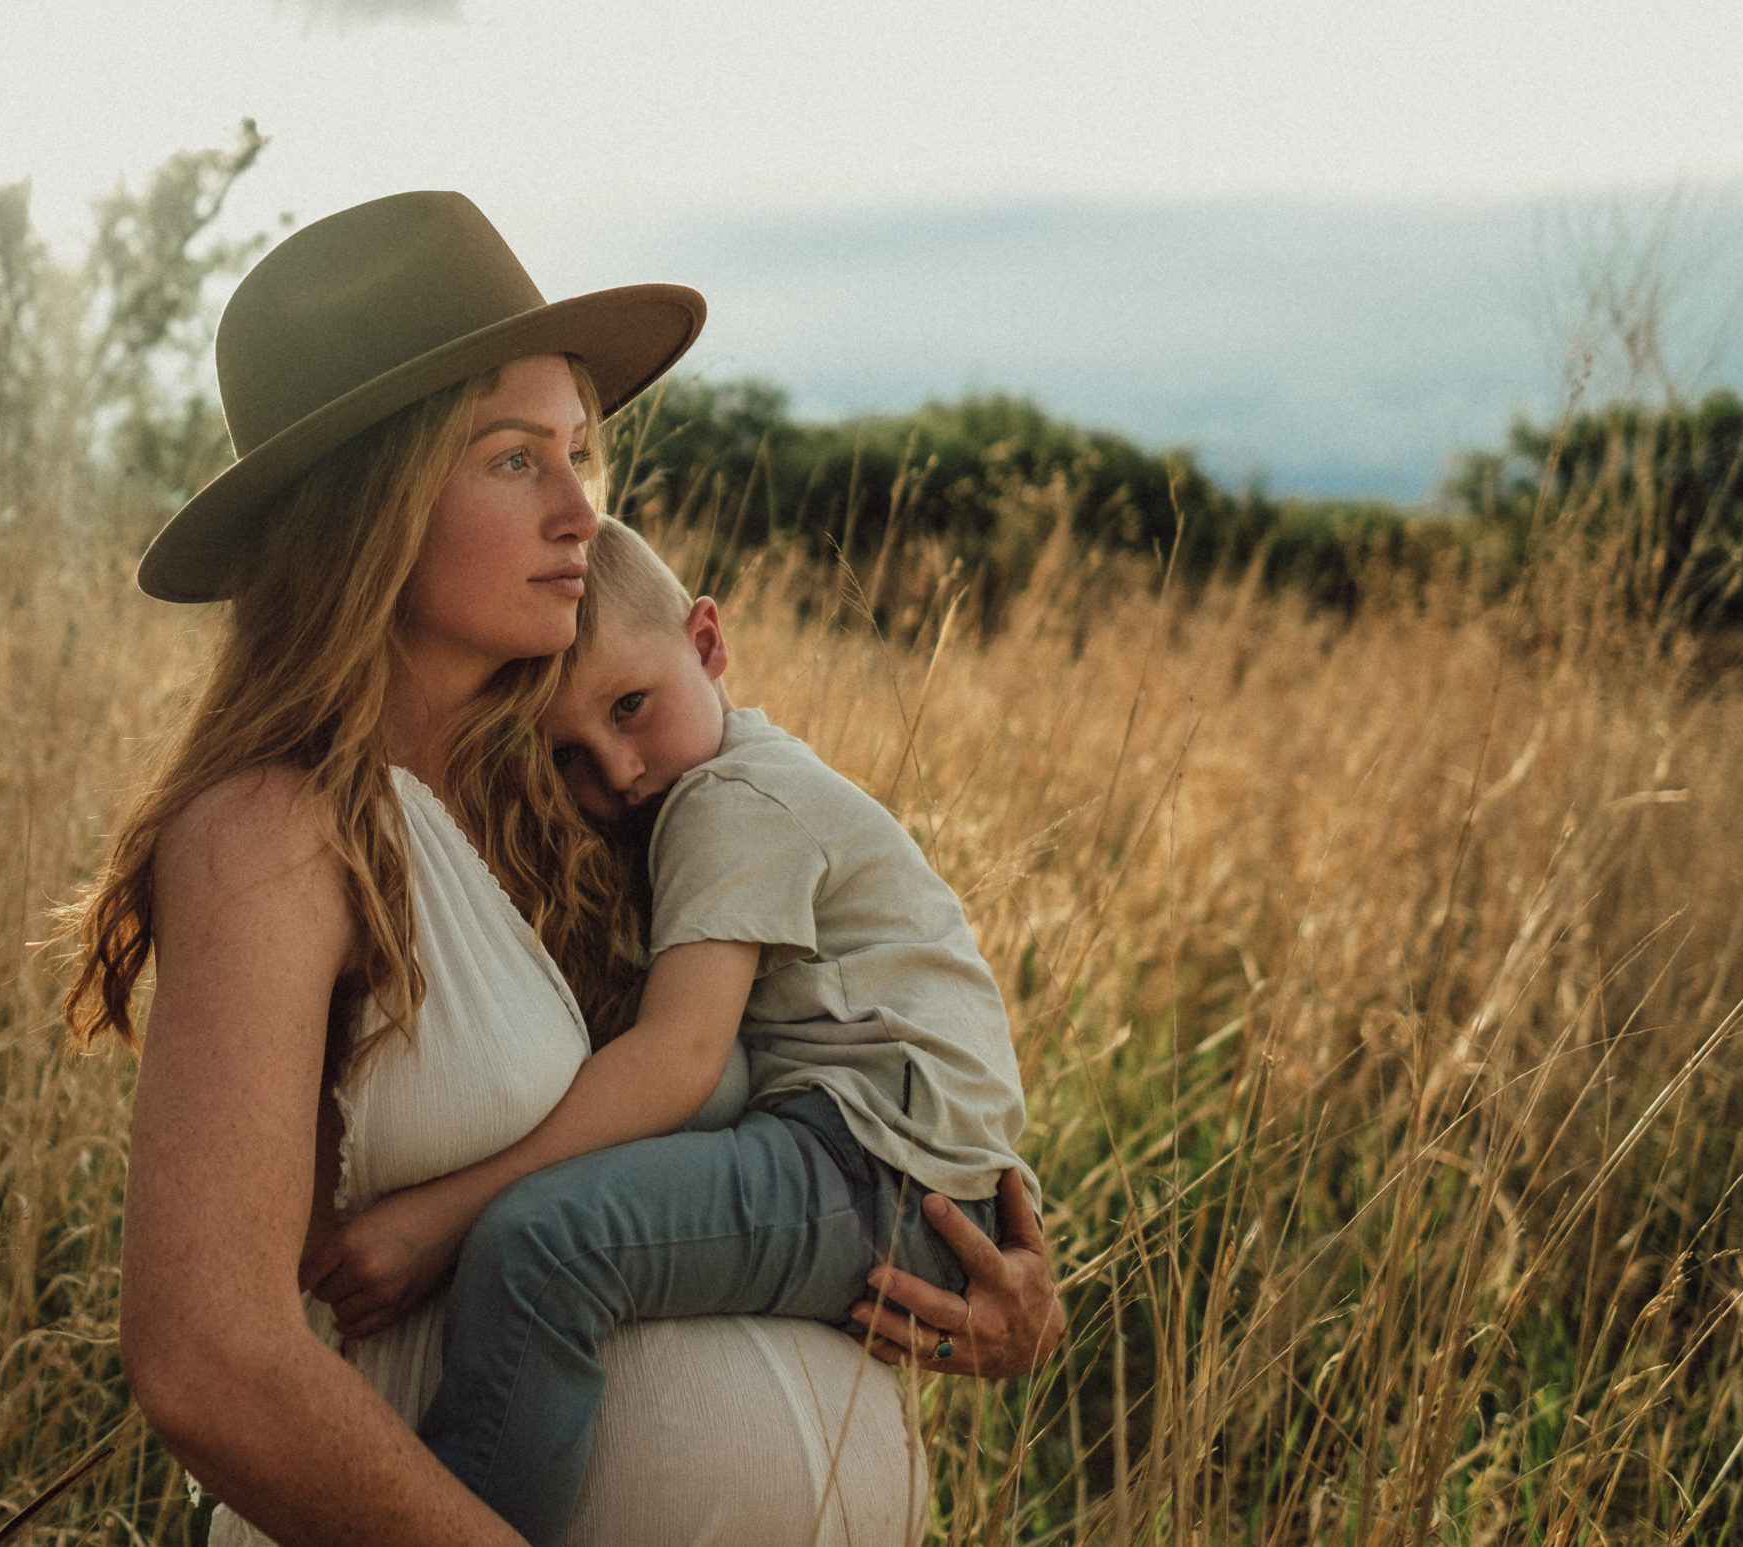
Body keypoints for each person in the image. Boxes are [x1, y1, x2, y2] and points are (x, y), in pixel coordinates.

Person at [63, 191, 1064, 1547]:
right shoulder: (273, 830)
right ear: (377, 499)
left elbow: (794, 1101)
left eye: (582, 455)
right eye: (516, 459)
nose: (582, 513)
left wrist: (980, 1284)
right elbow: (209, 1354)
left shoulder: (593, 803)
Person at [299, 516, 1036, 1544]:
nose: (617, 771)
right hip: (880, 1159)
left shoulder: (728, 798)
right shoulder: (711, 795)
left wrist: (444, 1219)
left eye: (632, 707)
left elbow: (681, 1060)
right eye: (567, 753)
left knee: (542, 1248)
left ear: (706, 643)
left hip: (871, 1162)